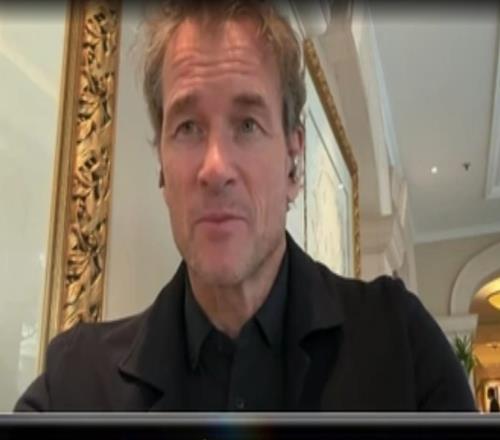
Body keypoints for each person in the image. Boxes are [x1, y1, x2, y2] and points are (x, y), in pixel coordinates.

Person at [15, 0, 475, 411]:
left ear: (293, 162)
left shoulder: (401, 349)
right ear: (162, 169)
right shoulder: (74, 384)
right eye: (188, 127)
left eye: (248, 125)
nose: (215, 168)